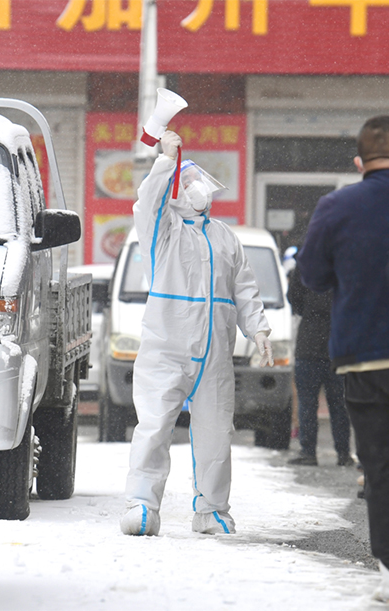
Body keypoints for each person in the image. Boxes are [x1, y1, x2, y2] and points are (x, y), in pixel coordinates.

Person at [297, 115, 389, 605]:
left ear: (360, 161)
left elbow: (311, 273)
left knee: (383, 470)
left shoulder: (337, 206)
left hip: (363, 359)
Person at [120, 130, 274, 537]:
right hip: (166, 346)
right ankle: (141, 504)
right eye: (186, 183)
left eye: (197, 181)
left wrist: (257, 327)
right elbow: (147, 200)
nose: (196, 188)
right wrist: (165, 160)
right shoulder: (162, 229)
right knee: (154, 425)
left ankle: (212, 509)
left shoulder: (224, 236)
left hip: (216, 353)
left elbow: (244, 287)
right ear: (175, 192)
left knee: (215, 430)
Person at [285, 259, 354, 467]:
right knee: (340, 404)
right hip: (338, 345)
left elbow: (293, 298)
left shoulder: (307, 264)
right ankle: (343, 453)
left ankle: (308, 452)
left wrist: (308, 309)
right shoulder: (345, 262)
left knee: (307, 403)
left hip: (310, 343)